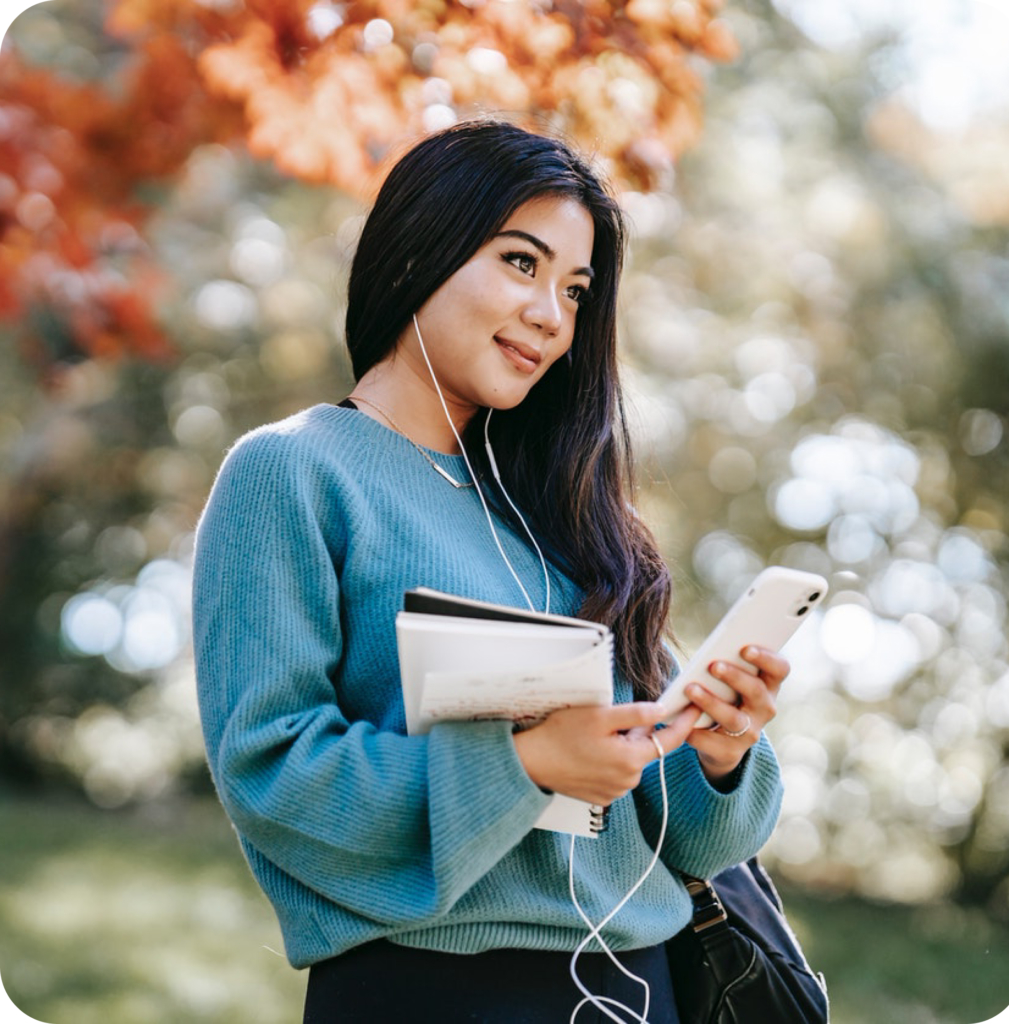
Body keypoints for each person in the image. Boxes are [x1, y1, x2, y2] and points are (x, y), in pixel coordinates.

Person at [192, 119, 786, 1023]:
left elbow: (695, 841)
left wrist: (718, 750)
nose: (552, 317)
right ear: (421, 246)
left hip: (643, 986)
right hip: (433, 992)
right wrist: (525, 763)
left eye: (576, 291)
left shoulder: (567, 511)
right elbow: (271, 774)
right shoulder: (295, 472)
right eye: (521, 263)